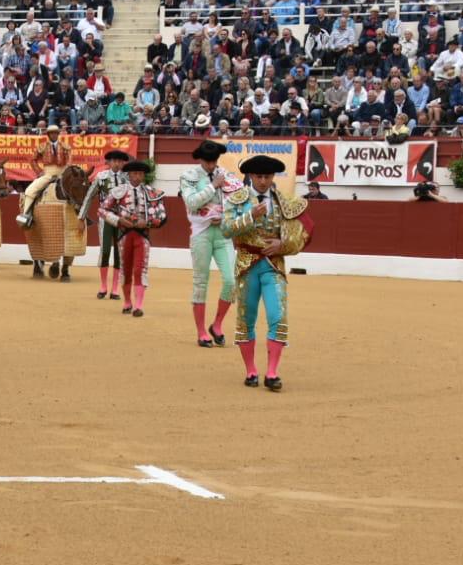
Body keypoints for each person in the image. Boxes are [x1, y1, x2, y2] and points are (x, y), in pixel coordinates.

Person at [221, 154, 315, 392]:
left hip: (273, 265)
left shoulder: (283, 201)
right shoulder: (237, 200)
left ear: (273, 177)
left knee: (278, 316)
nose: (263, 181)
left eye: (267, 176)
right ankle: (251, 371)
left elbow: (299, 234)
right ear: (251, 176)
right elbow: (225, 229)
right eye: (259, 176)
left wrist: (282, 245)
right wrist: (251, 216)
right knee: (246, 319)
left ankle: (272, 372)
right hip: (247, 265)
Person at [179, 139, 241, 348]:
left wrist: (225, 217)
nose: (211, 165)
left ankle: (217, 324)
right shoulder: (189, 176)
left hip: (223, 233)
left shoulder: (227, 175)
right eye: (208, 162)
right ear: (201, 160)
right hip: (201, 234)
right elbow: (191, 202)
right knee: (200, 282)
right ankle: (201, 332)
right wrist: (213, 186)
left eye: (214, 161)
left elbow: (237, 203)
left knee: (232, 280)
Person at [99, 159, 168, 317]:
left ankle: (138, 305)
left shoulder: (152, 193)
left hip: (142, 236)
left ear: (143, 176)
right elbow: (102, 211)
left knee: (139, 269)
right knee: (125, 269)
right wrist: (118, 220)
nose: (137, 176)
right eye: (134, 173)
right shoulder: (118, 191)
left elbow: (162, 216)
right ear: (129, 175)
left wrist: (148, 222)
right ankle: (127, 302)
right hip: (124, 235)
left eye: (140, 174)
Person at [81, 148, 131, 300]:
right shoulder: (101, 177)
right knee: (105, 251)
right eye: (114, 161)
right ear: (108, 162)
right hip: (105, 217)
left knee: (119, 252)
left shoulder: (127, 178)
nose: (116, 164)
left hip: (121, 218)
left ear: (123, 163)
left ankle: (115, 289)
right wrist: (81, 216)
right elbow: (89, 196)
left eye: (119, 161)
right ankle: (103, 286)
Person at [16, 122, 71, 227]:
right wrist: (39, 172)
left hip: (63, 174)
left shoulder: (65, 146)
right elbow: (32, 160)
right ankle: (26, 215)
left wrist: (67, 170)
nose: (54, 135)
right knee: (30, 190)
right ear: (48, 135)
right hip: (48, 174)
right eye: (52, 133)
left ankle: (81, 215)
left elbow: (69, 160)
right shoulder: (42, 146)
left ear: (58, 134)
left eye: (55, 133)